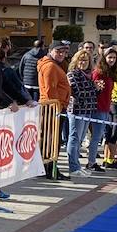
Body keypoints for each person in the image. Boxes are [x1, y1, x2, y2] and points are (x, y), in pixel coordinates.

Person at [37, 40, 72, 179]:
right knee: (52, 141)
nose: (61, 54)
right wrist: (58, 106)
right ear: (50, 51)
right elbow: (50, 90)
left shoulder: (53, 65)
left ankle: (46, 168)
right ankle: (50, 170)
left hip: (53, 107)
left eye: (63, 52)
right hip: (53, 108)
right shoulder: (50, 66)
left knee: (49, 140)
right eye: (58, 51)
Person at [66, 49, 104, 176]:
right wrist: (94, 88)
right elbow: (78, 93)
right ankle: (73, 167)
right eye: (80, 60)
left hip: (88, 110)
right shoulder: (72, 74)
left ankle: (76, 165)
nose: (83, 62)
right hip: (77, 110)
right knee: (74, 138)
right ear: (76, 61)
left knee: (80, 139)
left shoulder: (89, 75)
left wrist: (97, 89)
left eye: (85, 60)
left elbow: (92, 95)